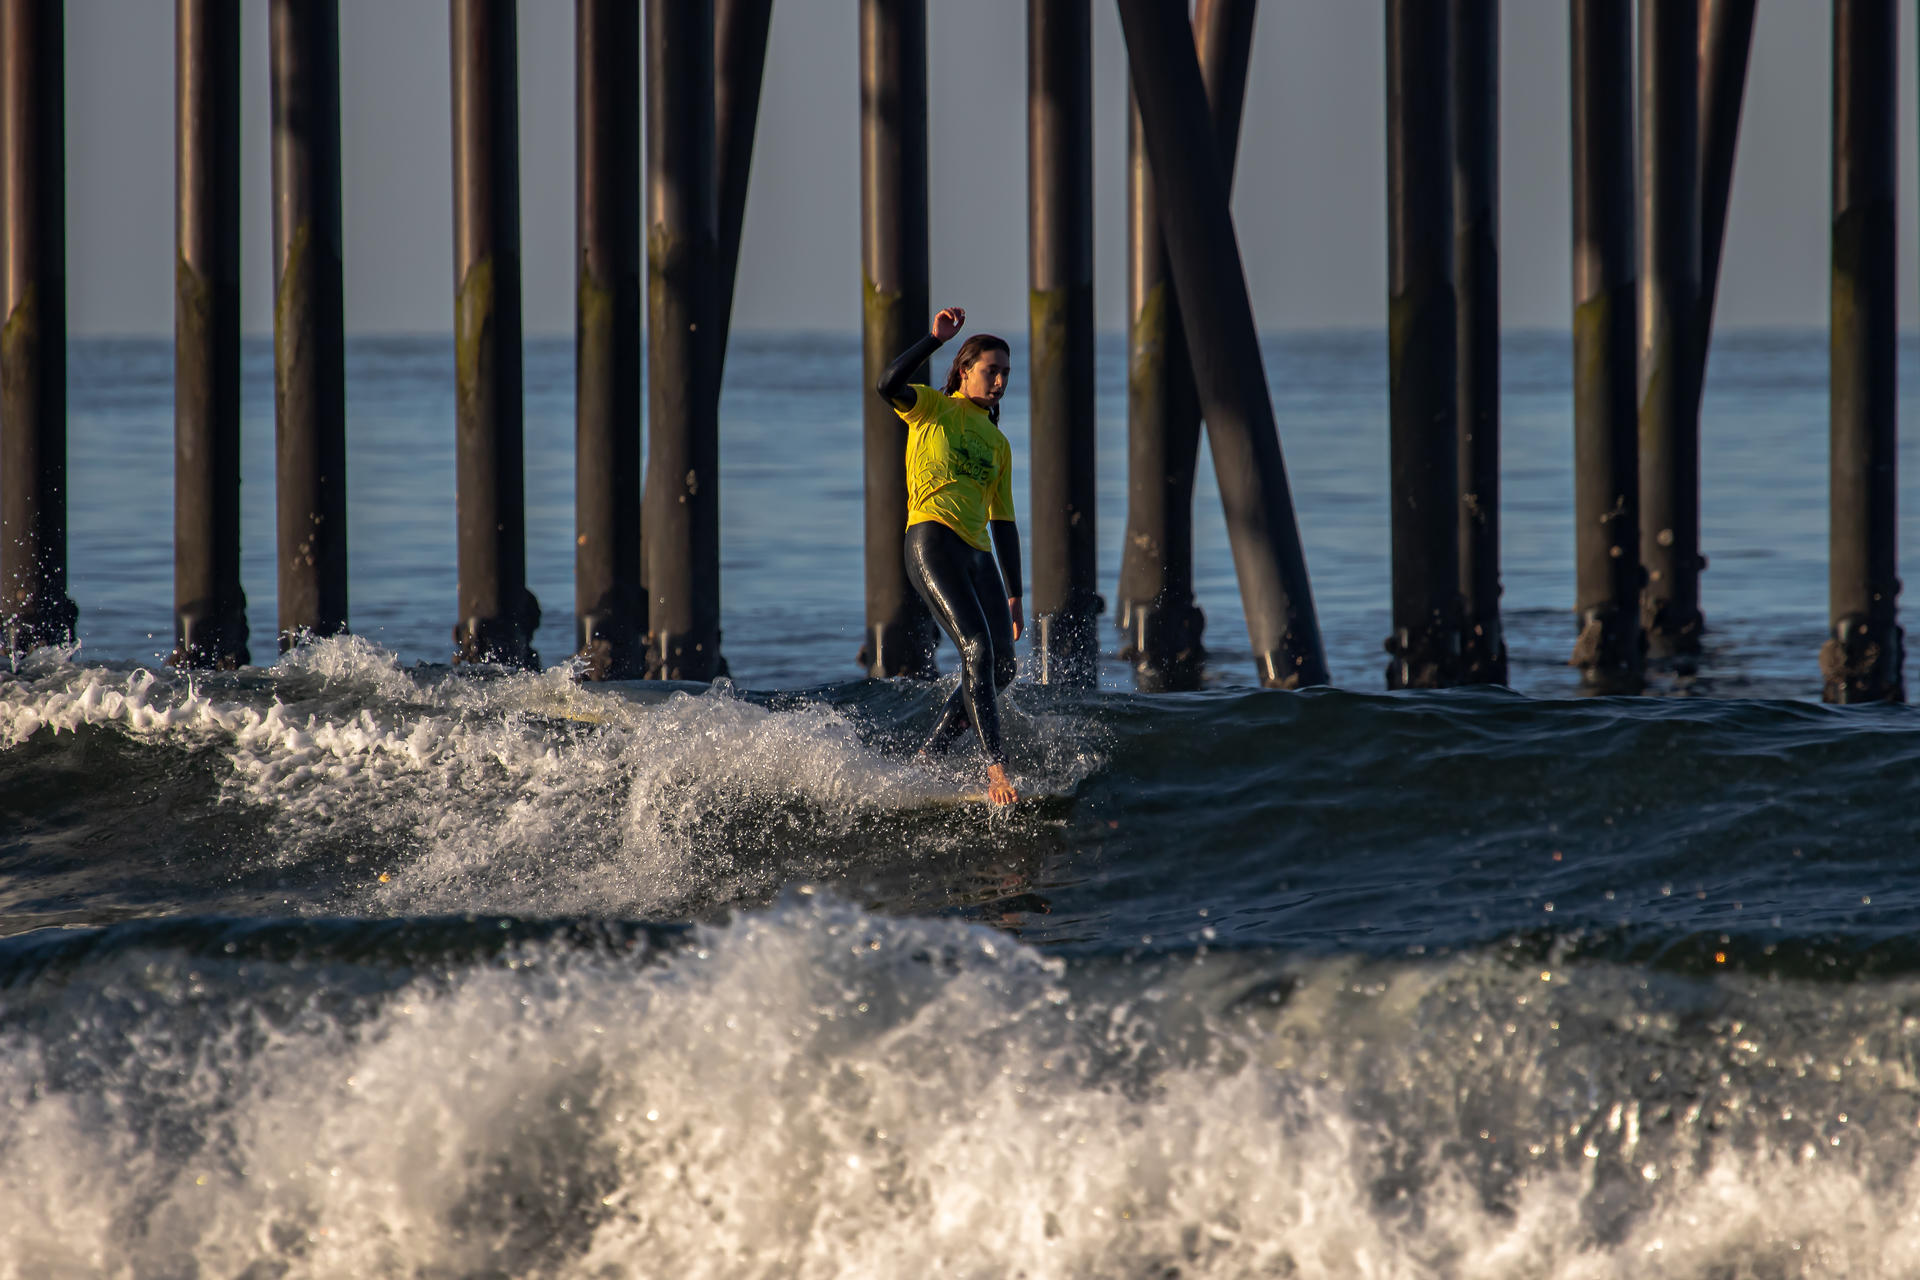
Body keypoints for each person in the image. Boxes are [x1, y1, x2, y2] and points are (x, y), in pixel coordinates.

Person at [875, 305, 1024, 806]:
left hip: (979, 557)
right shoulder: (931, 408)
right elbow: (886, 384)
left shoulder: (999, 445)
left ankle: (929, 758)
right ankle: (996, 771)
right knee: (977, 650)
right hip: (932, 540)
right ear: (965, 371)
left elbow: (1003, 522)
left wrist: (1016, 595)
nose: (1000, 380)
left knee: (1003, 668)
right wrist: (932, 339)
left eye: (1005, 372)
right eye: (991, 370)